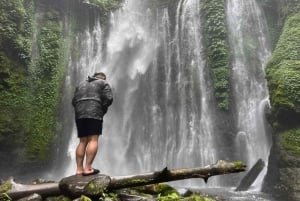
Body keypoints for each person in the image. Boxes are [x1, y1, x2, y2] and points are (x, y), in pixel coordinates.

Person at [72, 72, 113, 176]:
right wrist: (101, 109)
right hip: (94, 113)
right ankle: (88, 168)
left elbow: (74, 101)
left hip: (80, 114)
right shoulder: (103, 83)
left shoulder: (81, 84)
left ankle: (79, 169)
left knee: (82, 141)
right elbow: (109, 98)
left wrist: (80, 109)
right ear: (103, 77)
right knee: (93, 139)